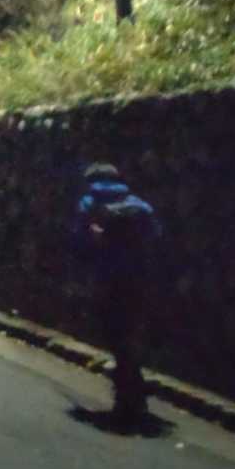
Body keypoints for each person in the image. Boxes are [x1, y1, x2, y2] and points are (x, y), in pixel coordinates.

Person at [71, 162, 163, 429]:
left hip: (107, 279)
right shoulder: (138, 204)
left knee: (115, 335)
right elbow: (156, 235)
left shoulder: (89, 203)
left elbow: (79, 240)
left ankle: (128, 397)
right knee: (129, 334)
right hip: (139, 280)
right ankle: (133, 392)